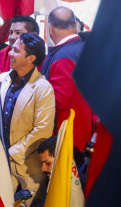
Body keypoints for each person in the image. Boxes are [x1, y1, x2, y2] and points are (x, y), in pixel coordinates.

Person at [0, 33, 55, 207]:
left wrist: (10, 154)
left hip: (28, 170)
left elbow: (42, 131)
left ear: (31, 58)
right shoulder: (3, 78)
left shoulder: (43, 87)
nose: (9, 53)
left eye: (15, 50)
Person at [41, 6, 97, 165]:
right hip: (80, 134)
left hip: (64, 140)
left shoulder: (63, 56)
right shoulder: (84, 49)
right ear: (75, 24)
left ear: (49, 27)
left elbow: (59, 101)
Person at [0, 16, 39, 103]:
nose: (12, 37)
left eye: (18, 33)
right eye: (11, 33)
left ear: (33, 35)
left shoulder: (42, 61)